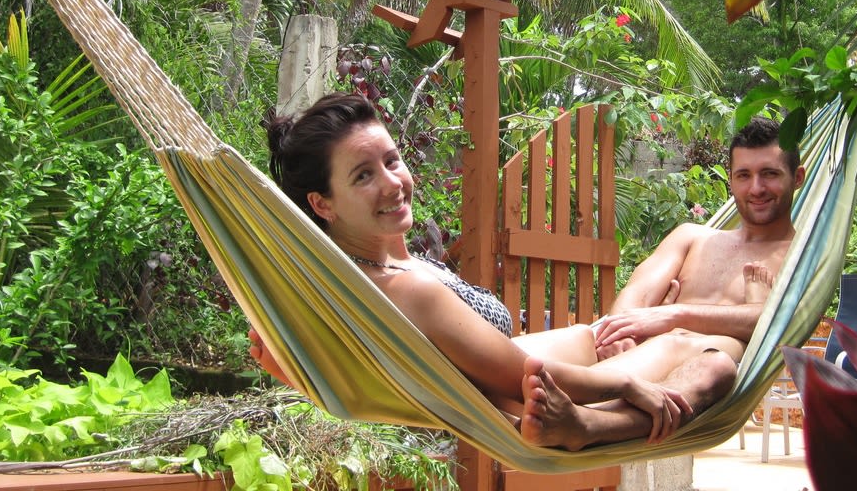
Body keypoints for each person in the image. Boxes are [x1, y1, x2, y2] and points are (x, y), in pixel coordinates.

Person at [249, 91, 737, 450]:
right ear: (322, 204)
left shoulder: (369, 271)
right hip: (545, 395)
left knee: (661, 339)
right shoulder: (404, 288)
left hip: (554, 365)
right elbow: (516, 375)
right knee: (716, 361)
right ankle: (591, 427)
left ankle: (606, 394)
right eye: (363, 175)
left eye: (392, 160)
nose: (393, 182)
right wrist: (627, 384)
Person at [593, 116, 805, 366]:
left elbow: (780, 322)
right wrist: (620, 335)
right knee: (568, 341)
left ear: (798, 177)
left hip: (698, 378)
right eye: (744, 175)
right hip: (628, 360)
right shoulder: (690, 238)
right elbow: (636, 294)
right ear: (731, 179)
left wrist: (674, 315)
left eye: (769, 174)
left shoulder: (801, 256)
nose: (756, 188)